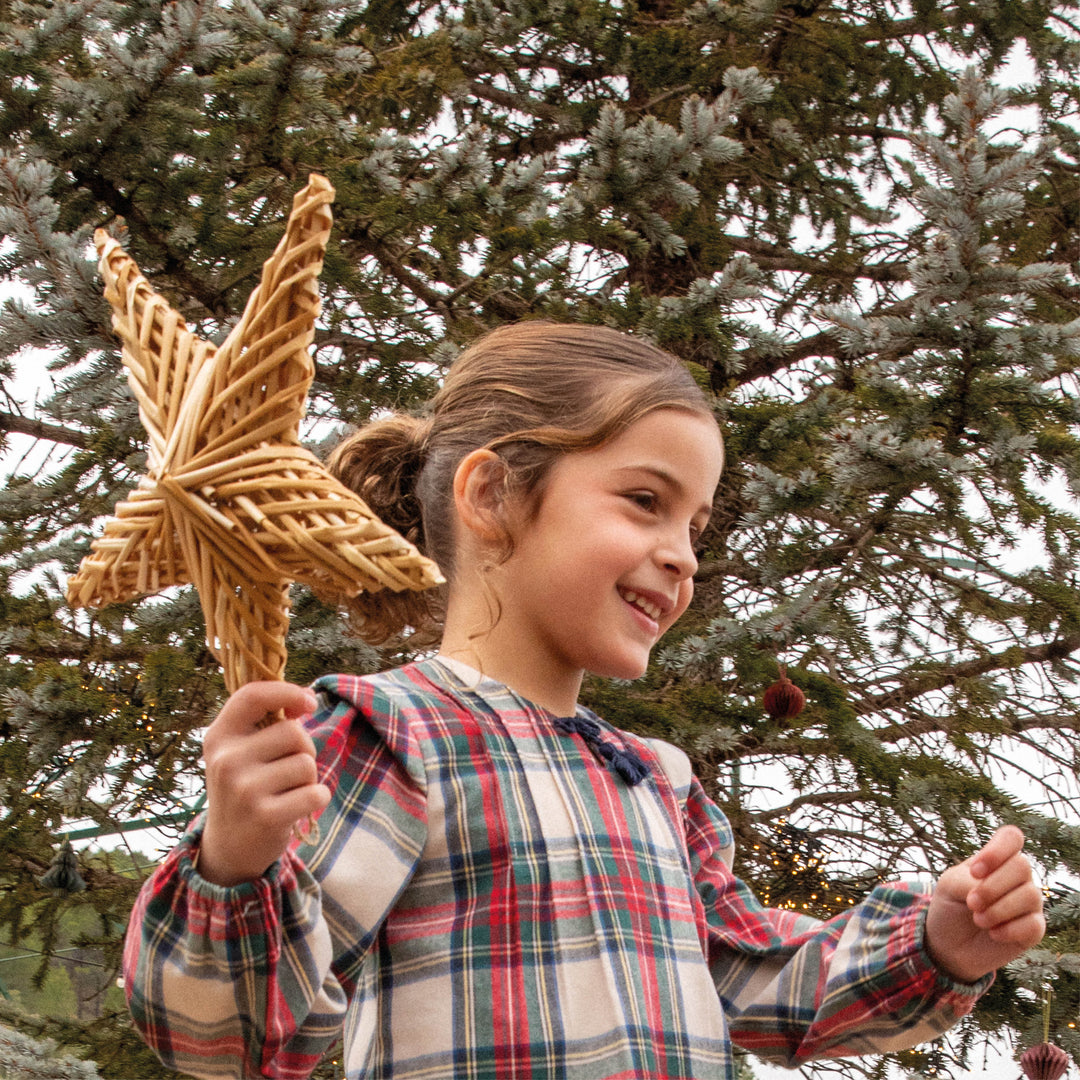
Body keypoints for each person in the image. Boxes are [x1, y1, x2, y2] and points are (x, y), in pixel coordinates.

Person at [123, 322, 1045, 1080]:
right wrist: (237, 862)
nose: (684, 553)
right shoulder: (391, 735)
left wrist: (938, 939)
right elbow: (236, 1038)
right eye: (646, 500)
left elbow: (752, 980)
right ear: (491, 494)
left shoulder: (655, 777)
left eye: (696, 524)